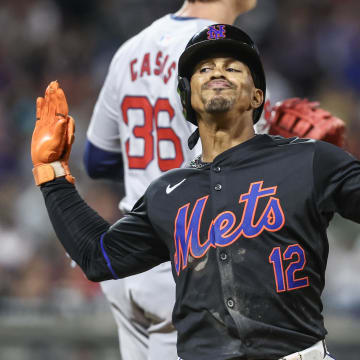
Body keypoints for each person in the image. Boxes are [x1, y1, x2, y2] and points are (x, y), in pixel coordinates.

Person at [30, 24, 357, 359]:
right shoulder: (168, 194)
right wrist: (51, 172)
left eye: (233, 67)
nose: (217, 71)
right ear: (188, 99)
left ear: (257, 96)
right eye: (204, 69)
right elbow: (97, 256)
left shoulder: (308, 159)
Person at [84, 1, 259, 359]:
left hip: (130, 261)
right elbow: (249, 166)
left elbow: (97, 159)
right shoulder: (222, 57)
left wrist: (151, 172)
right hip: (188, 269)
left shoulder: (131, 49)